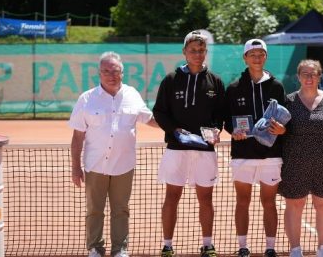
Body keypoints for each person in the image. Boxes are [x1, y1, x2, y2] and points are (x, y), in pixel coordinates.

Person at [69, 51, 158, 257]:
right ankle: (95, 248)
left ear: (122, 73)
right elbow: (77, 136)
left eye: (115, 70)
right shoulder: (86, 99)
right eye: (106, 71)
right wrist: (75, 167)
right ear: (99, 73)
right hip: (95, 166)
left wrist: (175, 124)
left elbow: (149, 118)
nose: (111, 74)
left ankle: (120, 249)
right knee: (94, 210)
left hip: (124, 166)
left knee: (121, 210)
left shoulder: (132, 94)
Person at [153, 30, 225, 257]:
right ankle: (167, 245)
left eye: (201, 50)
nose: (197, 54)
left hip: (205, 150)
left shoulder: (216, 81)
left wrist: (216, 129)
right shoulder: (171, 80)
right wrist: (175, 130)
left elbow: (221, 115)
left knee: (206, 198)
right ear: (184, 52)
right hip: (177, 149)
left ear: (205, 52)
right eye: (193, 50)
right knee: (172, 197)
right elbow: (159, 112)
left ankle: (208, 244)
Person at [223, 39, 287, 257]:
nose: (257, 58)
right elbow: (227, 120)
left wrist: (281, 130)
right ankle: (243, 247)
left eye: (261, 54)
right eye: (252, 54)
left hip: (271, 155)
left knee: (269, 202)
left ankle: (270, 247)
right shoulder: (233, 88)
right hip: (243, 155)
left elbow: (283, 118)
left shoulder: (277, 87)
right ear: (245, 58)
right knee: (243, 201)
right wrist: (233, 130)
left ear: (265, 57)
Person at [278, 59, 323, 257]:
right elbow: (281, 131)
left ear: (319, 76)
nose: (309, 77)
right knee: (295, 205)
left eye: (313, 73)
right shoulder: (288, 102)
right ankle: (295, 250)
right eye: (305, 74)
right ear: (298, 77)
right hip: (294, 165)